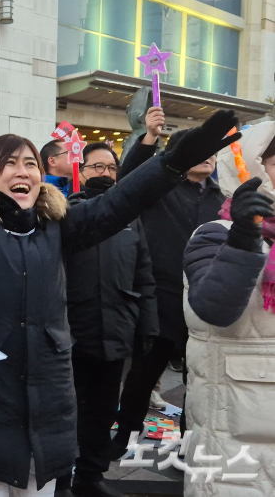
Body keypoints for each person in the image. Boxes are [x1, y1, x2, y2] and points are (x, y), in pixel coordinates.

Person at [0, 53, 240, 496]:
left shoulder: (58, 229)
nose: (21, 171)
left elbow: (120, 202)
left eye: (29, 163)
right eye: (8, 164)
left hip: (46, 411)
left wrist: (172, 163)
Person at [111, 106, 225, 455]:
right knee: (142, 378)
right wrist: (149, 137)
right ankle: (124, 436)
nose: (208, 156)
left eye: (213, 151)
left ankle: (188, 446)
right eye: (199, 149)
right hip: (160, 300)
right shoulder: (159, 190)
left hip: (203, 305)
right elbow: (128, 178)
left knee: (199, 384)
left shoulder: (225, 201)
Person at [56, 143, 158, 497]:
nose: (105, 174)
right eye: (96, 167)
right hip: (71, 334)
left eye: (111, 168)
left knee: (101, 412)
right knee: (65, 414)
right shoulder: (64, 215)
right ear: (81, 172)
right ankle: (58, 481)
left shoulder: (131, 219)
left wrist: (149, 325)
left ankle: (90, 476)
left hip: (116, 331)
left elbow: (143, 274)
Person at [181, 121, 275, 497]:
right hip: (234, 427)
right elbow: (213, 309)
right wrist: (243, 239)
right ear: (251, 167)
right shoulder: (213, 233)